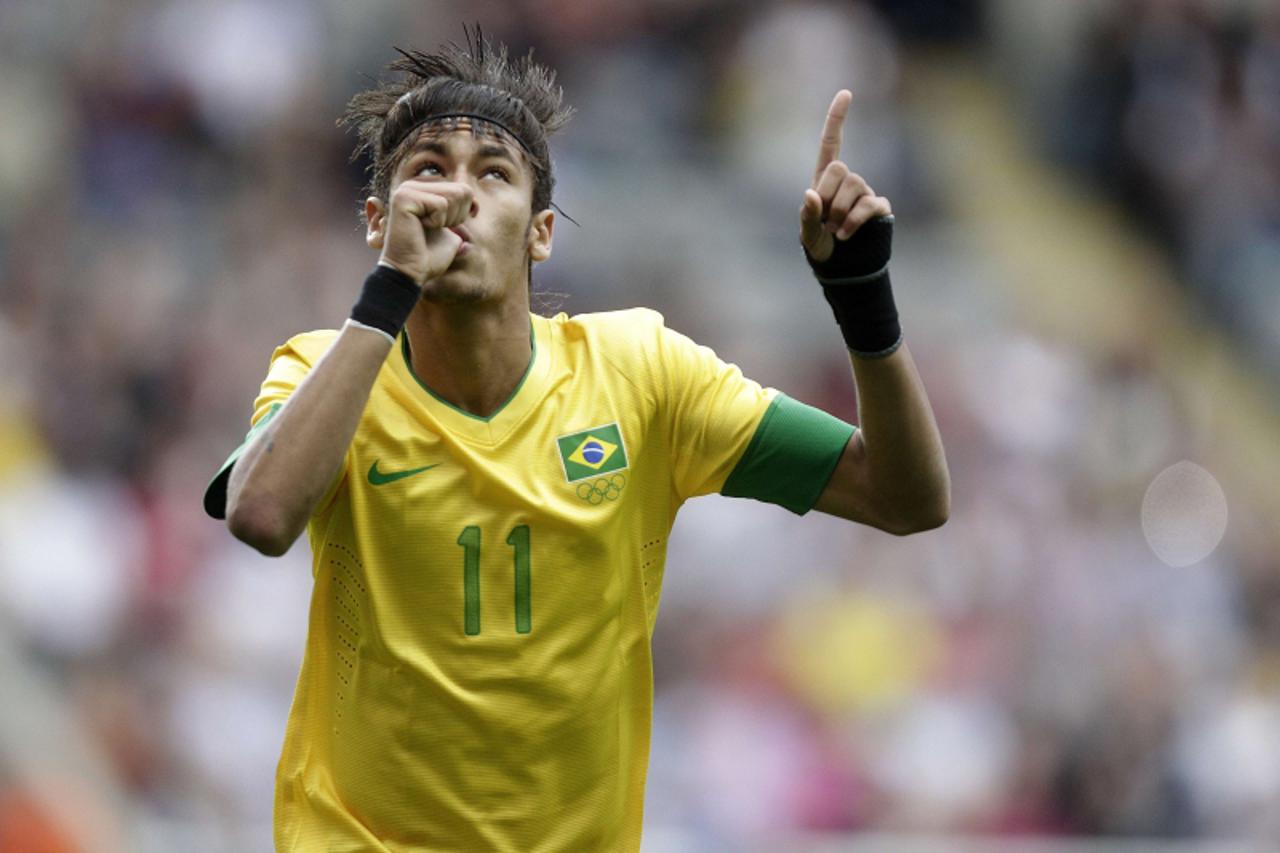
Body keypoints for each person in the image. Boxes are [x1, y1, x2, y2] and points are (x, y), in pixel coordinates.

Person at [203, 31, 949, 853]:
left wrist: (860, 295)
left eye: (494, 172)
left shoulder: (641, 372)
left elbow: (907, 498)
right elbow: (261, 515)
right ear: (380, 221)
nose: (458, 194)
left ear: (541, 231)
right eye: (428, 168)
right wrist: (388, 289)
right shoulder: (325, 369)